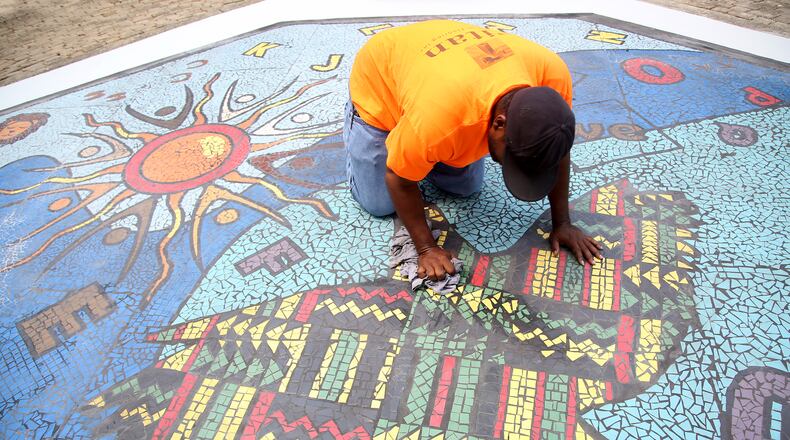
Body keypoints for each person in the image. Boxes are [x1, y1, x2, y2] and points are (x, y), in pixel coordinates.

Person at [344, 19, 602, 281]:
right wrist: (426, 248)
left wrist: (563, 223)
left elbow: (555, 149)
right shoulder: (440, 116)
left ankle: (417, 147)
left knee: (465, 187)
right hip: (382, 79)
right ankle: (363, 130)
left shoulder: (551, 79)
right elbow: (398, 178)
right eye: (513, 159)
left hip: (441, 86)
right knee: (379, 203)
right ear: (499, 124)